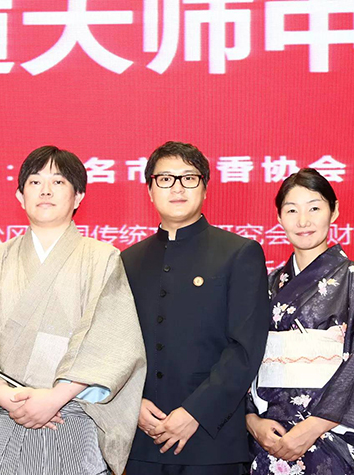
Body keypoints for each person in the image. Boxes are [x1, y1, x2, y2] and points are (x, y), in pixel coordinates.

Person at [0, 145, 146, 475]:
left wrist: (55, 398)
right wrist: (4, 396)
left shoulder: (102, 259)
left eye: (58, 182)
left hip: (74, 418)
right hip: (8, 414)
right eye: (35, 182)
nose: (45, 190)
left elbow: (111, 344)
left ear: (78, 196)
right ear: (20, 196)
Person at [121, 141, 271, 475]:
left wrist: (195, 413)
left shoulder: (239, 253)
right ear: (150, 190)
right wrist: (132, 402)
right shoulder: (128, 260)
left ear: (205, 188)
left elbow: (245, 348)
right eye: (165, 179)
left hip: (211, 442)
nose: (177, 188)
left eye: (189, 178)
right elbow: (116, 345)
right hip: (142, 437)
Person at [245, 168, 354, 475]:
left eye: (314, 208)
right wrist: (251, 420)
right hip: (271, 436)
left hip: (330, 435)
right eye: (292, 210)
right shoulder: (267, 285)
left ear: (334, 211)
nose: (303, 221)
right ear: (279, 217)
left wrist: (314, 426)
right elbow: (244, 356)